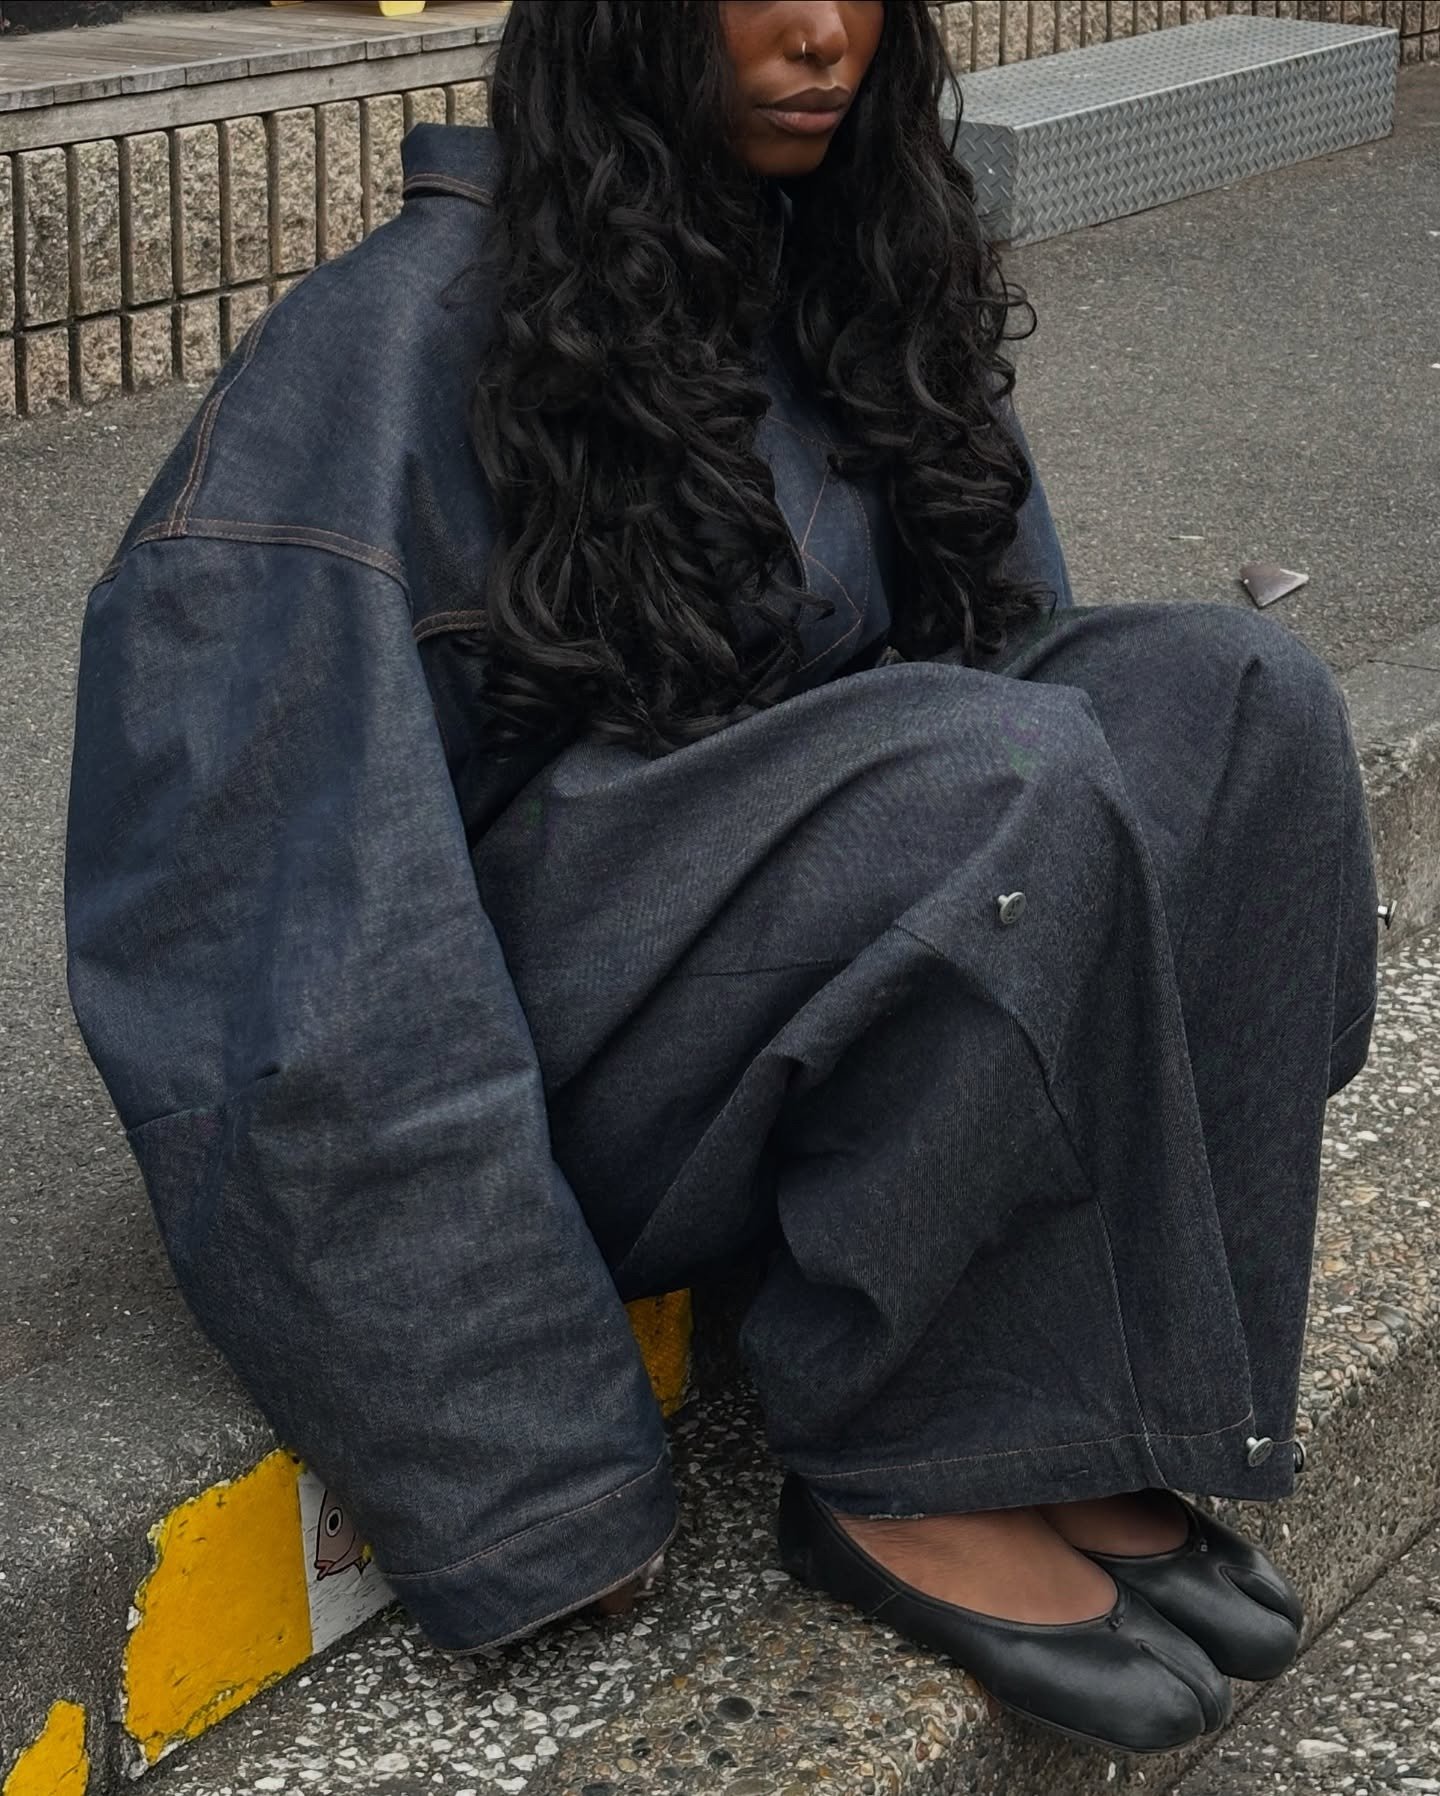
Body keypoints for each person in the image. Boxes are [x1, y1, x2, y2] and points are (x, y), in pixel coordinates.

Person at [64, 0, 1380, 1758]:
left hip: (774, 1008)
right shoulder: (369, 371)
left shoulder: (828, 277)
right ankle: (901, 1468)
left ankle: (1097, 1409)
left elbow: (1049, 749)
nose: (820, 31)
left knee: (1237, 703)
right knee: (1001, 774)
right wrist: (529, 1484)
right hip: (564, 1103)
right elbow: (280, 993)